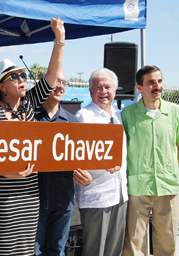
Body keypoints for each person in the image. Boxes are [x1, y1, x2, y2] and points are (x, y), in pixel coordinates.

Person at [0, 17, 65, 256]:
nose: (21, 80)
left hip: (28, 196)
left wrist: (59, 39)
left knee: (26, 251)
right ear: (1, 87)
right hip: (2, 199)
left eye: (21, 76)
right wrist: (7, 171)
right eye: (13, 77)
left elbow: (51, 74)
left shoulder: (29, 106)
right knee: (4, 251)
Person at [122, 65, 179, 256]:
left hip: (168, 186)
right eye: (151, 82)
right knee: (134, 243)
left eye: (159, 81)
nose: (157, 86)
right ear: (140, 87)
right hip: (138, 187)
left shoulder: (174, 111)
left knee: (167, 242)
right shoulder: (127, 115)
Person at [34, 71, 92, 256]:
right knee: (34, 251)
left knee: (58, 251)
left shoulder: (73, 121)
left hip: (63, 200)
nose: (61, 86)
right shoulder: (30, 119)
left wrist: (87, 176)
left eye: (64, 82)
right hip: (35, 199)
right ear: (44, 84)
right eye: (56, 81)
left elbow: (82, 159)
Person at [74, 68, 128, 256]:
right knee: (95, 250)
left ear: (115, 90)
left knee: (115, 249)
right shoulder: (83, 117)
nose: (103, 92)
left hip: (120, 194)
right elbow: (77, 155)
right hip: (96, 196)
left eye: (108, 87)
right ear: (90, 92)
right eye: (98, 87)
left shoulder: (120, 116)